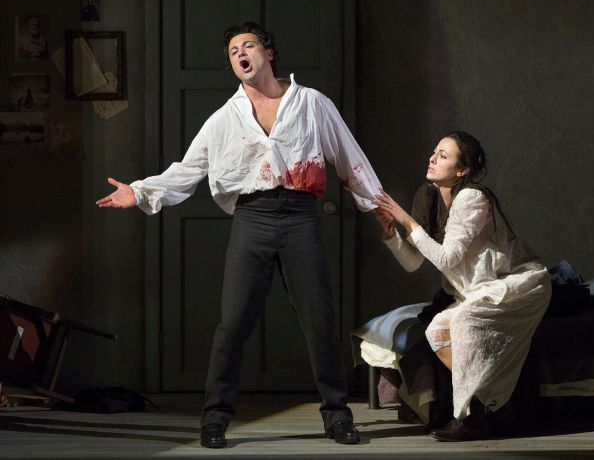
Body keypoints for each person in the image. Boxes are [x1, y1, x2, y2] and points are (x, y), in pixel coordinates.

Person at [96, 22, 382, 448]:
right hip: (252, 219)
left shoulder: (311, 103)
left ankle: (338, 417)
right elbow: (189, 170)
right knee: (232, 325)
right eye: (233, 51)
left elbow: (349, 158)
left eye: (248, 46)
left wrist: (379, 206)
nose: (241, 55)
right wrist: (138, 191)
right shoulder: (223, 119)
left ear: (269, 52)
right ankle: (214, 421)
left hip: (301, 216)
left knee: (319, 320)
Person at [373, 131, 551, 441]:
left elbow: (447, 258)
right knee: (437, 329)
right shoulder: (428, 197)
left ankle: (467, 417)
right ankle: (493, 408)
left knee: (465, 323)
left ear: (462, 170)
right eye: (434, 152)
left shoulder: (472, 197)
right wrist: (392, 234)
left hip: (518, 283)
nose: (432, 158)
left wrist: (407, 221)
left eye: (443, 155)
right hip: (478, 290)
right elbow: (415, 262)